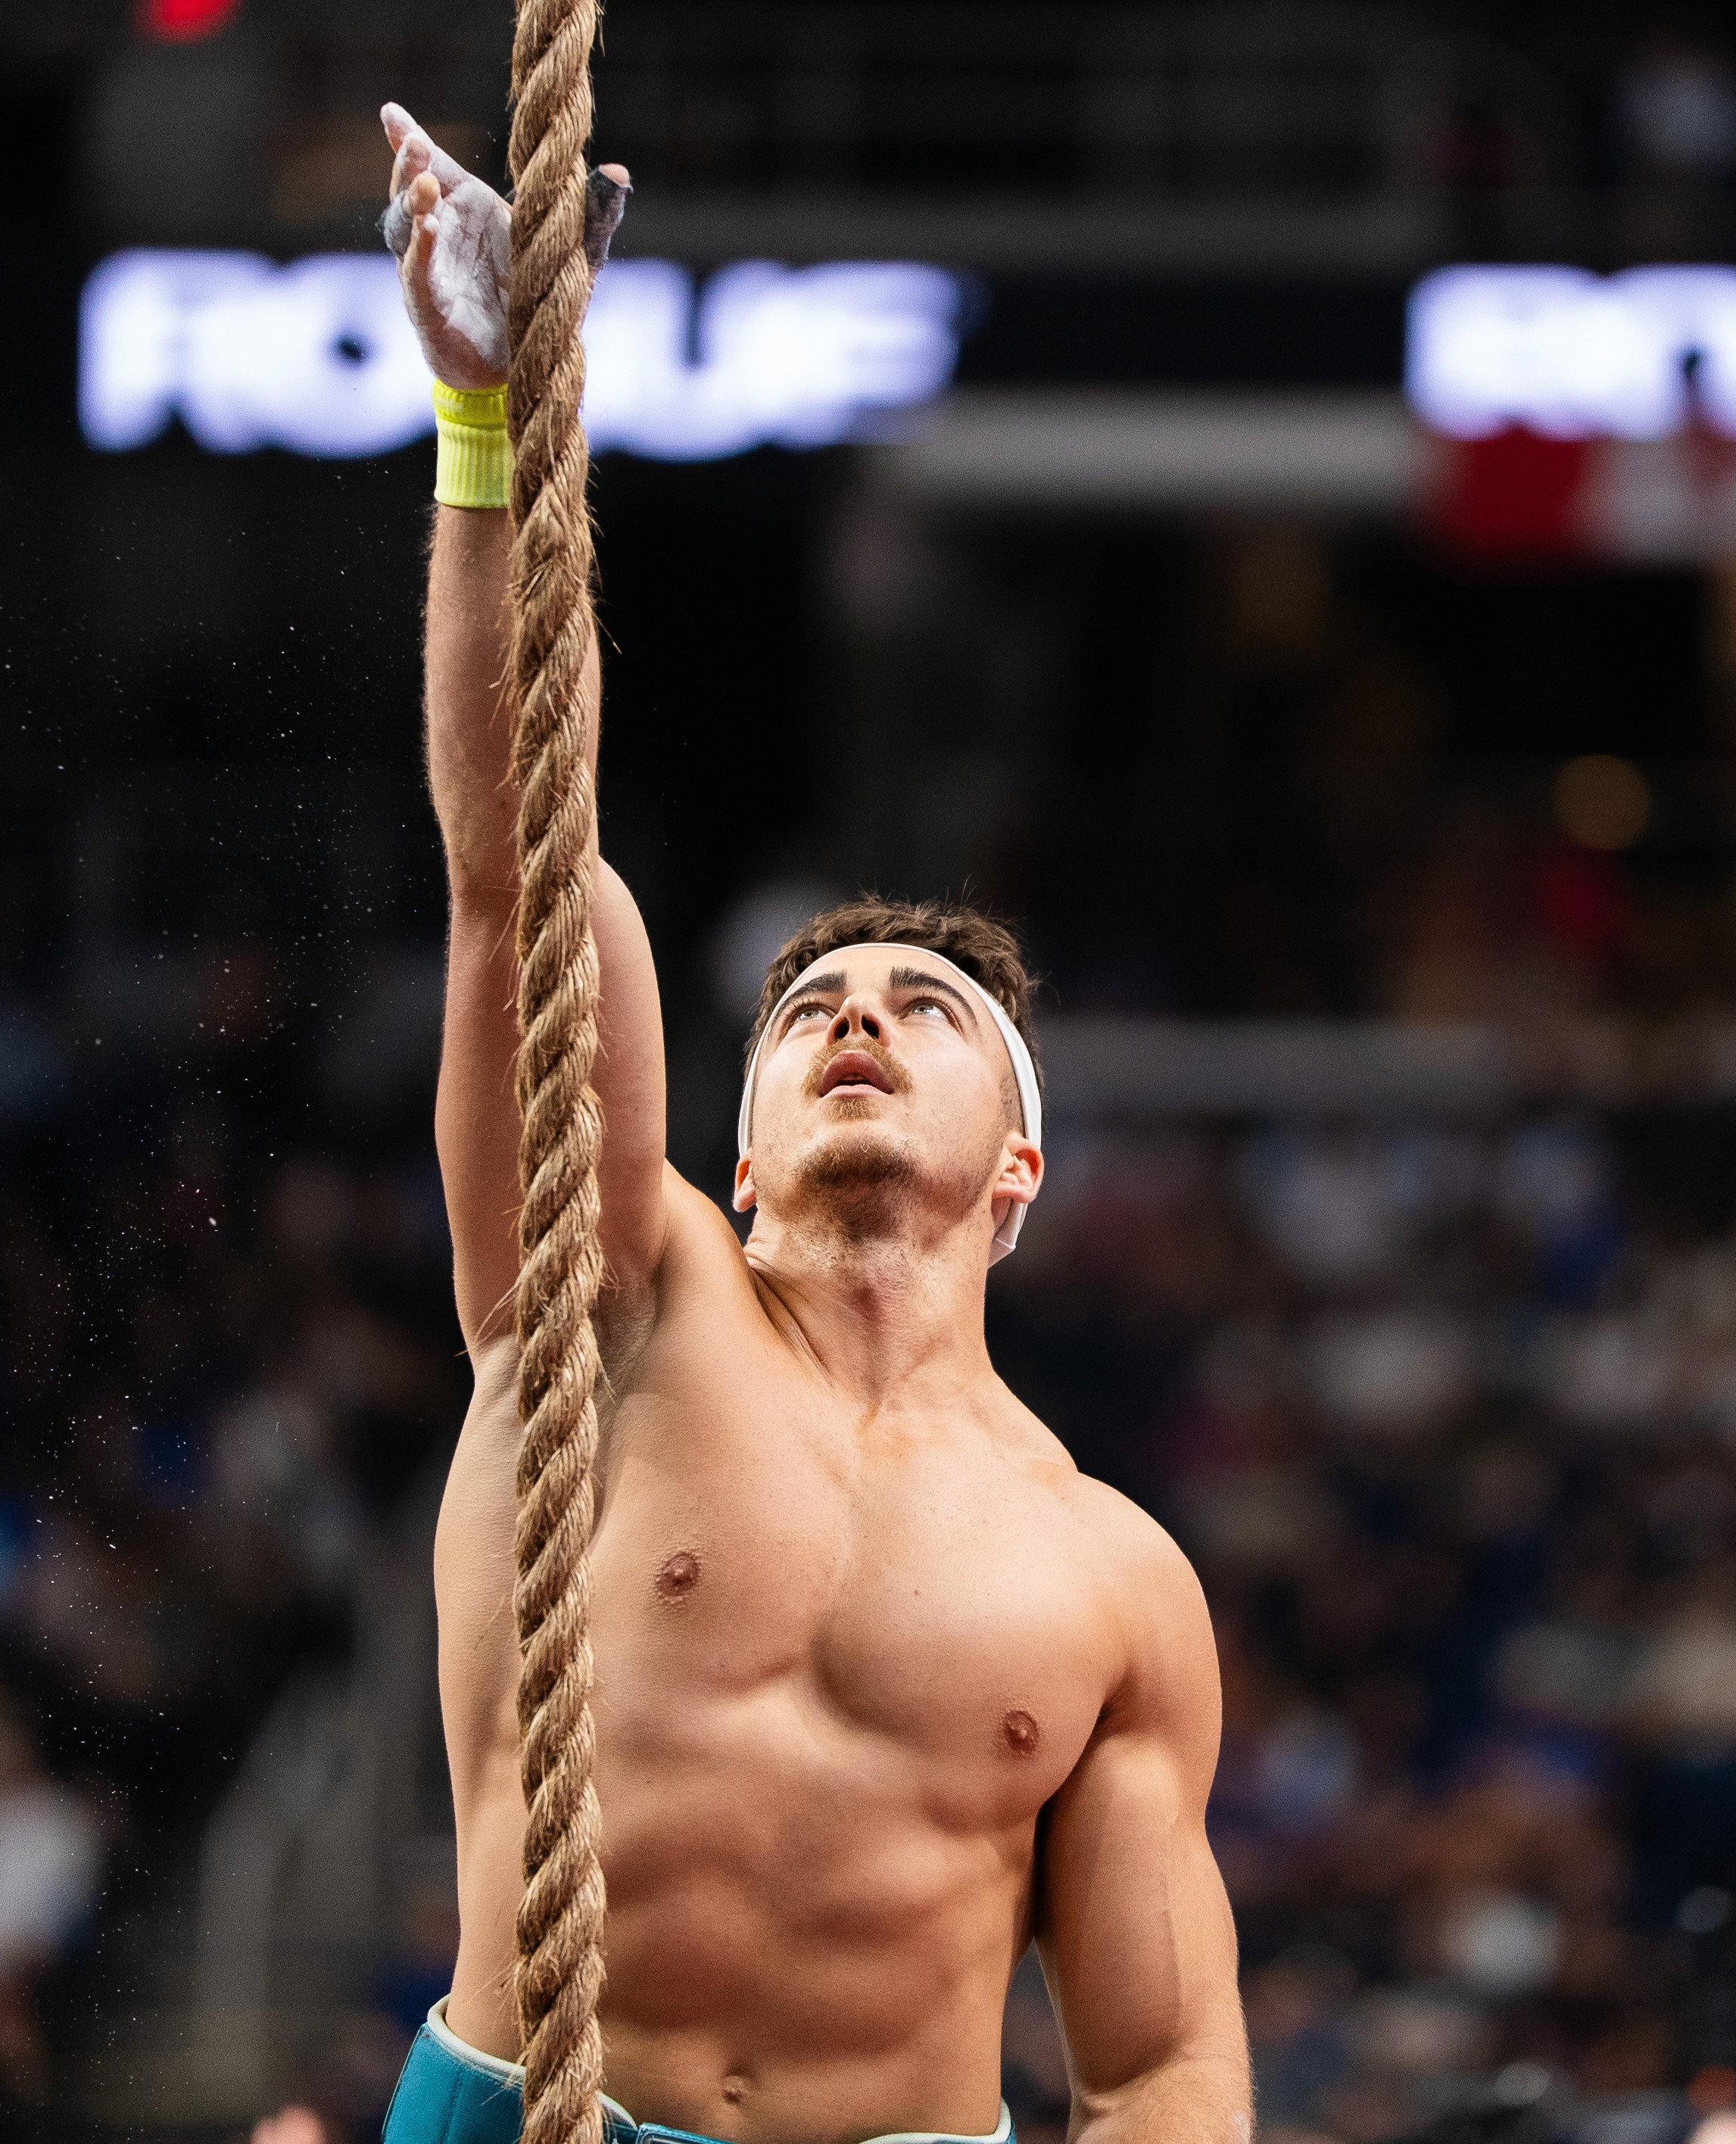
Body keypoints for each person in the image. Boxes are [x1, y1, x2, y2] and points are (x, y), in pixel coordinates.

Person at [369, 104, 1248, 2144]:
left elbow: (1159, 2060)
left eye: (926, 1011)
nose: (858, 1016)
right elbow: (519, 868)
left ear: (1017, 1169)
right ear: (738, 1147)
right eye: (809, 1012)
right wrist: (497, 434)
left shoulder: (1113, 1578)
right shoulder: (621, 1301)